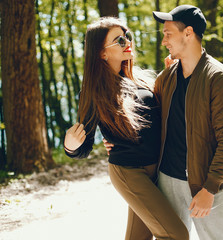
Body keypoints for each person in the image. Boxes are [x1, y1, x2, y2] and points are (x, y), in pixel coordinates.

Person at [104, 5, 223, 239]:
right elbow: (148, 119)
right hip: (167, 180)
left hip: (204, 184)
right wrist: (117, 140)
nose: (163, 41)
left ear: (188, 33)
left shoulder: (220, 80)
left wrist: (210, 188)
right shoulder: (166, 78)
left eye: (168, 34)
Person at [63, 17, 188, 240]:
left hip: (157, 168)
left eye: (127, 36)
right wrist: (70, 146)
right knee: (176, 234)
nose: (127, 42)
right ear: (102, 53)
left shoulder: (139, 79)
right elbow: (84, 146)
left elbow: (161, 115)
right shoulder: (94, 92)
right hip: (130, 172)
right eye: (119, 40)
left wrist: (169, 78)